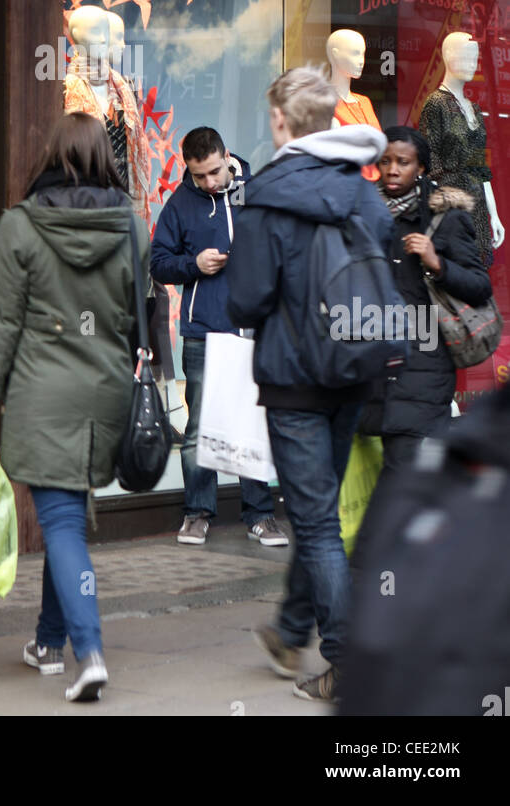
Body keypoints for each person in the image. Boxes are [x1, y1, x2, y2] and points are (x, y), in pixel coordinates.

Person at [0, 112, 150, 704]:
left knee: (63, 523)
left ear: (51, 155)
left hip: (42, 394)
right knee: (67, 511)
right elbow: (140, 315)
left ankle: (89, 652)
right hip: (107, 390)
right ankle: (48, 642)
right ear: (105, 157)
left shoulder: (19, 227)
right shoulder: (132, 226)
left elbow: (0, 328)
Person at [224, 66, 393, 702]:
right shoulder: (363, 191)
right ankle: (292, 629)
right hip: (354, 374)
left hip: (294, 379)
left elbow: (245, 299)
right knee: (318, 507)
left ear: (281, 122)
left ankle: (348, 662)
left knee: (316, 521)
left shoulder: (268, 193)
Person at [150, 125, 289, 547]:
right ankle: (197, 513)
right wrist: (195, 264)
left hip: (252, 327)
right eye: (199, 176)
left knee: (251, 421)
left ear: (226, 156)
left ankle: (260, 515)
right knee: (199, 428)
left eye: (214, 172)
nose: (208, 182)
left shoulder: (254, 187)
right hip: (203, 330)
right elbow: (159, 264)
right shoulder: (180, 203)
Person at [357, 127, 491, 507]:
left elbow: (479, 286)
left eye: (403, 162)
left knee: (403, 474)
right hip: (371, 361)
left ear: (421, 167)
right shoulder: (364, 215)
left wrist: (437, 262)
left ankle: (389, 559)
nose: (392, 170)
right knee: (387, 475)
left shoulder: (445, 219)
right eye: (385, 162)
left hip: (425, 367)